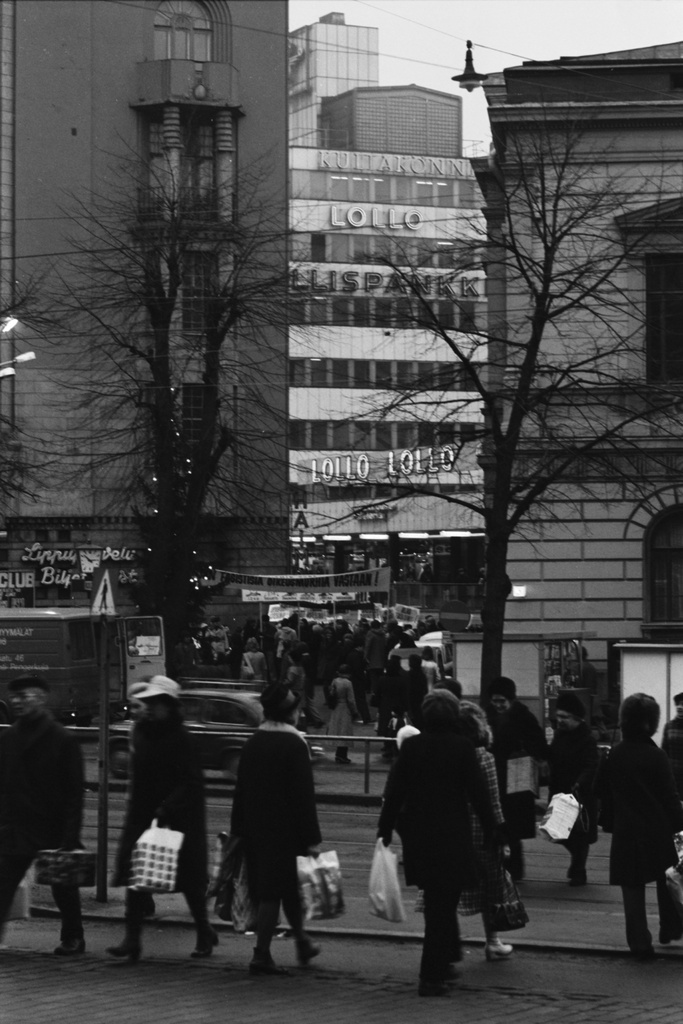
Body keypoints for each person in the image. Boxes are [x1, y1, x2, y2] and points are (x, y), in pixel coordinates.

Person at [378, 689, 495, 997]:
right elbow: (479, 794)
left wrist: (385, 829)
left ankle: (441, 964)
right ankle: (431, 975)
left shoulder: (412, 747)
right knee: (444, 906)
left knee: (436, 905)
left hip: (420, 838)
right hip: (453, 836)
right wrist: (494, 832)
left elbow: (395, 793)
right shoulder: (462, 747)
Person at [107, 675, 215, 962]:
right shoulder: (141, 732)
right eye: (148, 703)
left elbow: (191, 782)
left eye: (157, 703)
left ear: (170, 706)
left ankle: (204, 931)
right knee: (136, 877)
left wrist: (167, 808)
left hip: (178, 821)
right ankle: (132, 939)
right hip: (143, 817)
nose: (150, 708)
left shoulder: (182, 738)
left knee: (190, 882)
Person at [231, 682, 322, 975]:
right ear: (291, 714)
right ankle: (261, 954)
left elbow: (240, 790)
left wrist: (237, 830)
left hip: (256, 829)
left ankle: (303, 943)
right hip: (286, 832)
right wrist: (311, 838)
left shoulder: (253, 742)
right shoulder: (295, 744)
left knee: (286, 890)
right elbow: (303, 797)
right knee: (273, 892)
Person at [0, 674, 86, 956]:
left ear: (42, 697)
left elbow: (75, 792)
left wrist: (70, 837)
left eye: (24, 696)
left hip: (53, 825)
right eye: (14, 697)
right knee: (3, 883)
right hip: (16, 825)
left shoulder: (62, 738)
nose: (17, 702)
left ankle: (73, 937)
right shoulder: (8, 737)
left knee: (63, 888)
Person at [600, 692, 683, 959]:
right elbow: (670, 799)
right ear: (651, 722)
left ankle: (639, 944)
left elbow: (599, 789)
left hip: (626, 832)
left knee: (632, 890)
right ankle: (669, 928)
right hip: (657, 830)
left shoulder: (614, 754)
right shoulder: (656, 756)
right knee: (667, 881)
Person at [457, 701, 516, 961]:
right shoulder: (484, 757)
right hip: (481, 833)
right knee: (490, 888)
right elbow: (493, 801)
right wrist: (502, 837)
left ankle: (450, 939)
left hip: (453, 830)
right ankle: (492, 942)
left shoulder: (448, 752)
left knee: (450, 888)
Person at [487, 676, 548, 881]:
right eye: (494, 701)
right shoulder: (491, 716)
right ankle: (503, 866)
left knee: (512, 826)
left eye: (501, 701)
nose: (498, 705)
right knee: (501, 823)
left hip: (516, 778)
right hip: (498, 776)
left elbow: (538, 743)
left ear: (511, 699)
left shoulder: (523, 717)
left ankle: (513, 868)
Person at [547, 691, 599, 887]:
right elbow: (552, 755)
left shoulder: (587, 739)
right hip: (560, 792)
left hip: (579, 795)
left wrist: (580, 782)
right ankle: (578, 866)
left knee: (579, 836)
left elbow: (591, 764)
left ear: (576, 718)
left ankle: (578, 871)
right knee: (559, 834)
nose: (559, 720)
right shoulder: (560, 735)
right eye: (558, 716)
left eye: (564, 717)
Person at [375, 655, 410, 761]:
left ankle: (387, 746)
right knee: (397, 727)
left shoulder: (382, 679)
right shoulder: (402, 680)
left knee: (386, 726)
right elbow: (405, 695)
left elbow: (377, 694)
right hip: (398, 705)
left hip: (385, 705)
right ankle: (396, 747)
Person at [327, 664, 358, 764]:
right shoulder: (348, 683)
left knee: (337, 730)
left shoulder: (335, 681)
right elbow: (351, 700)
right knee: (345, 731)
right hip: (345, 708)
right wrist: (354, 712)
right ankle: (342, 755)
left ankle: (338, 754)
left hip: (336, 708)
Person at [661, 691, 683, 799]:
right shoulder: (669, 726)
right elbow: (664, 752)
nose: (680, 707)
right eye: (678, 704)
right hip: (672, 775)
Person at [406, 653, 428, 730]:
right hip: (420, 701)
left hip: (411, 702)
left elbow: (407, 690)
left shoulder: (408, 675)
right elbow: (425, 690)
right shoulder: (422, 675)